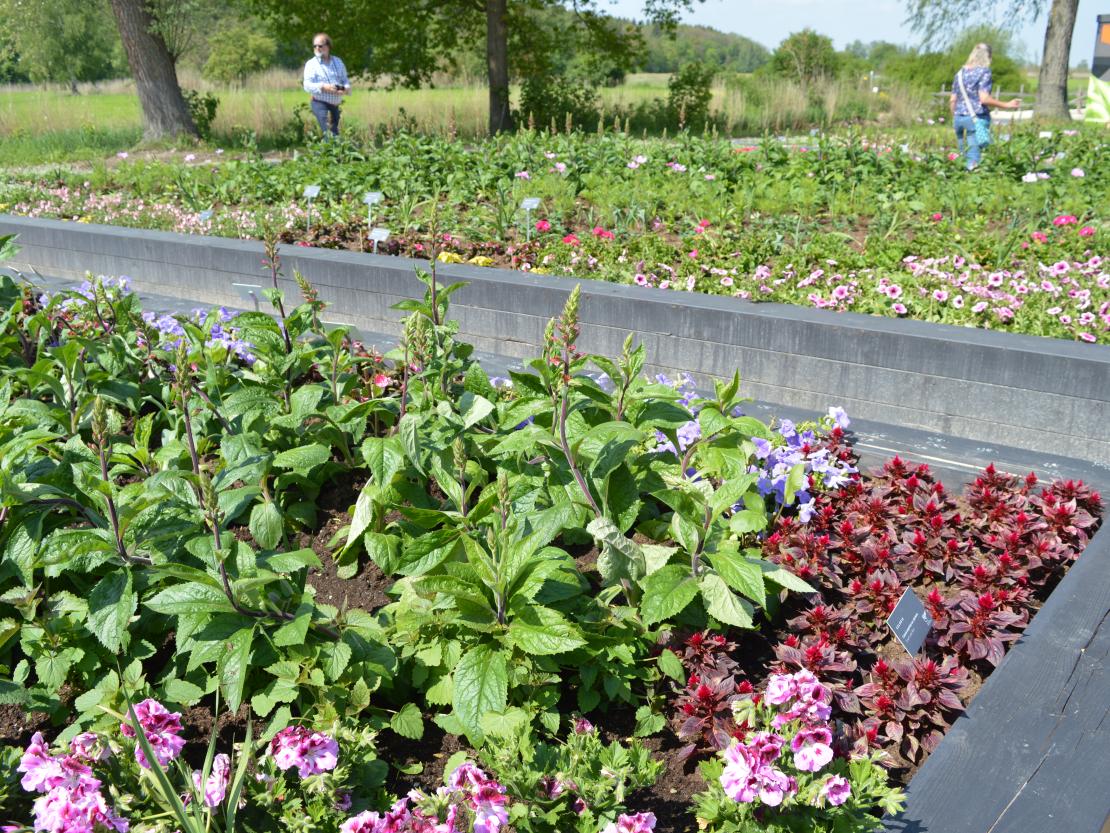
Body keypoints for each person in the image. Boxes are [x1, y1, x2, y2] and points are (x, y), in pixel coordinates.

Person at [949, 43, 1022, 170]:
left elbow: (952, 99)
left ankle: (959, 175)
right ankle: (972, 178)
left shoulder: (960, 73)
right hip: (975, 118)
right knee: (973, 157)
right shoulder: (984, 72)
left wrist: (955, 116)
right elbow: (984, 98)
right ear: (988, 56)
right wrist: (1006, 105)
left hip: (958, 118)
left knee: (961, 155)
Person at [303, 33, 350, 137]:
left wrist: (345, 89)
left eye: (320, 46)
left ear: (328, 46)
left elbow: (345, 80)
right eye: (315, 46)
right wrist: (323, 87)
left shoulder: (338, 61)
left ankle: (326, 148)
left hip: (335, 105)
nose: (317, 48)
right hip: (320, 103)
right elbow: (306, 85)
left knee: (335, 133)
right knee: (330, 133)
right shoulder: (311, 64)